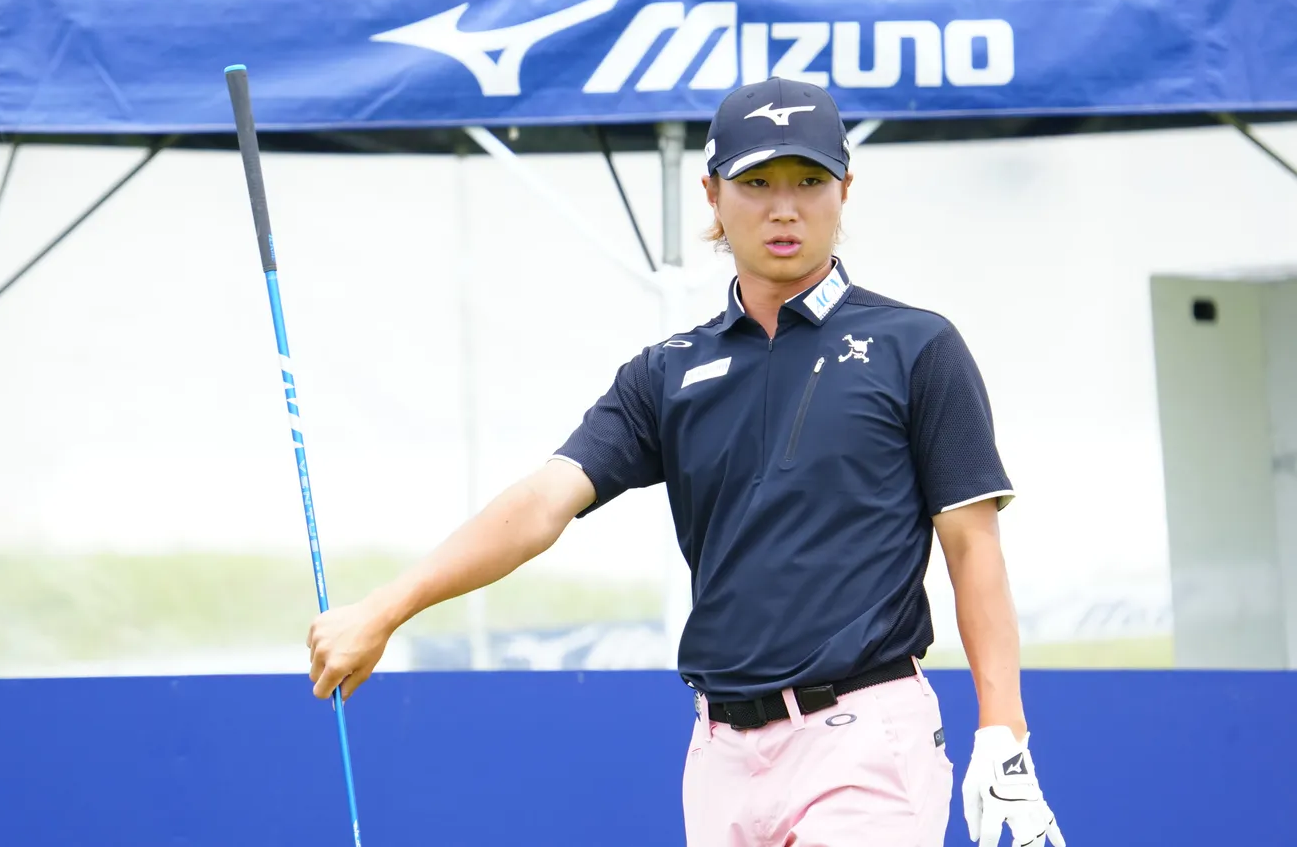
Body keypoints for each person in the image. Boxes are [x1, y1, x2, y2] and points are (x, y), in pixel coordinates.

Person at [305, 76, 1064, 847]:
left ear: (845, 188)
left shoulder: (918, 346)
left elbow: (973, 546)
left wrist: (1003, 731)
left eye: (809, 181)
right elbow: (541, 503)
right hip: (720, 755)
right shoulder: (667, 371)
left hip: (865, 737)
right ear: (711, 193)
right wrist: (384, 607)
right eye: (756, 182)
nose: (784, 207)